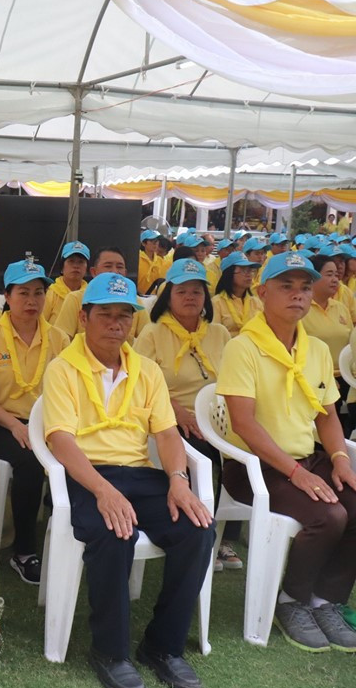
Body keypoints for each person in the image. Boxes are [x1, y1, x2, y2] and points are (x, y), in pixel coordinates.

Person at [42, 272, 215, 688]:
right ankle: (110, 651)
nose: (116, 323)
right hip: (87, 475)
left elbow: (168, 434)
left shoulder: (147, 370)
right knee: (114, 534)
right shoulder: (63, 368)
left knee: (197, 529)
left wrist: (178, 480)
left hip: (140, 474)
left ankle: (163, 644)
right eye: (106, 314)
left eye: (125, 315)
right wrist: (102, 489)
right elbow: (60, 439)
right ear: (84, 317)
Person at [216, 251, 356, 653]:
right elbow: (243, 423)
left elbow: (327, 415)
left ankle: (325, 600)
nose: (299, 295)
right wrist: (296, 474)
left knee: (355, 503)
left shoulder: (314, 350)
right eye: (286, 286)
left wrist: (341, 461)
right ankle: (291, 601)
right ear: (262, 293)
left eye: (305, 287)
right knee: (329, 516)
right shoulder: (243, 347)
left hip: (306, 458)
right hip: (256, 468)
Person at [134, 259, 242, 572]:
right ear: (168, 295)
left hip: (219, 419)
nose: (191, 297)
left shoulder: (219, 333)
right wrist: (176, 410)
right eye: (182, 291)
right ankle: (199, 529)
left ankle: (223, 533)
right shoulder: (152, 333)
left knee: (247, 449)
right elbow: (141, 383)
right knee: (206, 455)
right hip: (169, 419)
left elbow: (235, 379)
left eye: (197, 291)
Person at [0, 259, 68, 584]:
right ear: (7, 296)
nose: (31, 301)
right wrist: (13, 424)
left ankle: (67, 531)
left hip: (47, 421)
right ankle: (25, 551)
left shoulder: (59, 339)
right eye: (23, 293)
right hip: (1, 421)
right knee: (28, 461)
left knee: (75, 455)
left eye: (39, 293)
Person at [53, 247, 149, 343]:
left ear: (125, 273)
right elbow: (62, 341)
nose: (114, 272)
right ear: (94, 272)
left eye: (120, 267)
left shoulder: (135, 302)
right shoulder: (76, 299)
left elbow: (147, 340)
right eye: (108, 266)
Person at [301, 254, 353, 380]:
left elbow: (351, 344)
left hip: (345, 375)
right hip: (314, 377)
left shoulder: (340, 308)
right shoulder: (300, 310)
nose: (335, 279)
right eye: (329, 275)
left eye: (336, 275)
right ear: (312, 277)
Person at [212, 252, 262, 337]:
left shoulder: (256, 302)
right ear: (230, 274)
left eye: (250, 270)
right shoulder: (216, 303)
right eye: (244, 271)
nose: (249, 275)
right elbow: (215, 335)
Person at [43, 241, 89, 326]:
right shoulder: (50, 294)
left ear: (86, 269)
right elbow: (39, 324)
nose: (76, 266)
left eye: (81, 262)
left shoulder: (90, 295)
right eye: (71, 261)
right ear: (61, 268)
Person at [138, 229, 164, 294]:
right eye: (152, 241)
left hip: (154, 298)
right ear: (144, 243)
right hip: (138, 298)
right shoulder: (137, 259)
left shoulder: (160, 260)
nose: (156, 243)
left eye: (157, 241)